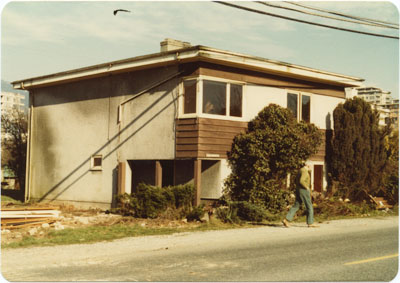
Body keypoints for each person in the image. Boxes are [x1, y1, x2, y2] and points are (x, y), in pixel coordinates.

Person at [282, 164, 318, 228]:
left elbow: (296, 180)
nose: (311, 168)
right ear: (308, 165)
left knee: (296, 205)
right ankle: (310, 223)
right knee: (309, 205)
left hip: (299, 190)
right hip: (304, 190)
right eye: (311, 166)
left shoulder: (300, 171)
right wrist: (306, 187)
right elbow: (302, 181)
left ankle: (286, 220)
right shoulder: (304, 171)